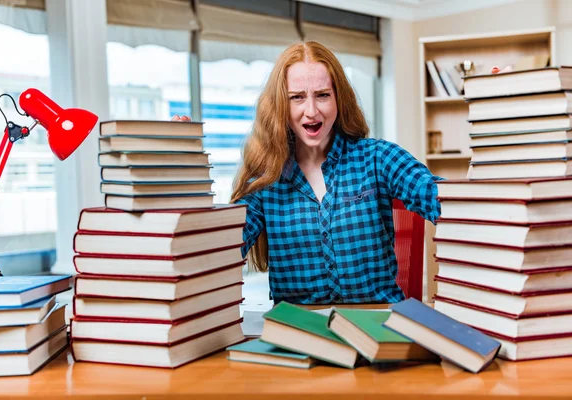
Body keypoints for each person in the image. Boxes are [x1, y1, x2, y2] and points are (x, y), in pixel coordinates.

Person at [173, 41, 443, 305]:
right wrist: (179, 170)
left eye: (323, 95)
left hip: (380, 330)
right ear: (281, 104)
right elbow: (217, 250)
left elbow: (446, 202)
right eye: (297, 97)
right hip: (299, 336)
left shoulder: (378, 158)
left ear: (339, 99)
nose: (311, 111)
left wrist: (486, 105)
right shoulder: (266, 182)